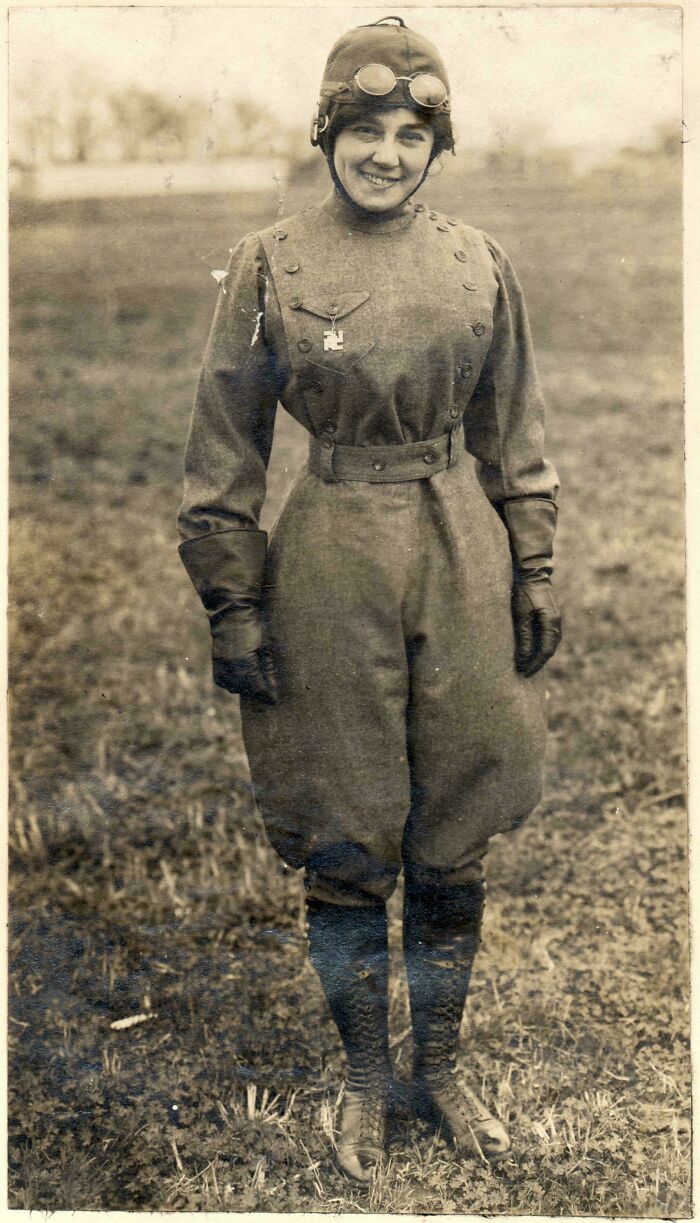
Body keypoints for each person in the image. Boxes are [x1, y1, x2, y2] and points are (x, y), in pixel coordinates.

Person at [178, 14, 562, 1182]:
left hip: (458, 545)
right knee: (346, 828)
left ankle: (433, 1065)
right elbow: (223, 443)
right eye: (363, 128)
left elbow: (514, 427)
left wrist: (533, 557)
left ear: (435, 146)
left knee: (453, 829)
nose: (385, 152)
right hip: (331, 547)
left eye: (409, 132)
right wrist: (231, 599)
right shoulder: (268, 262)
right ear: (326, 134)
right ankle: (359, 1076)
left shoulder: (475, 259)